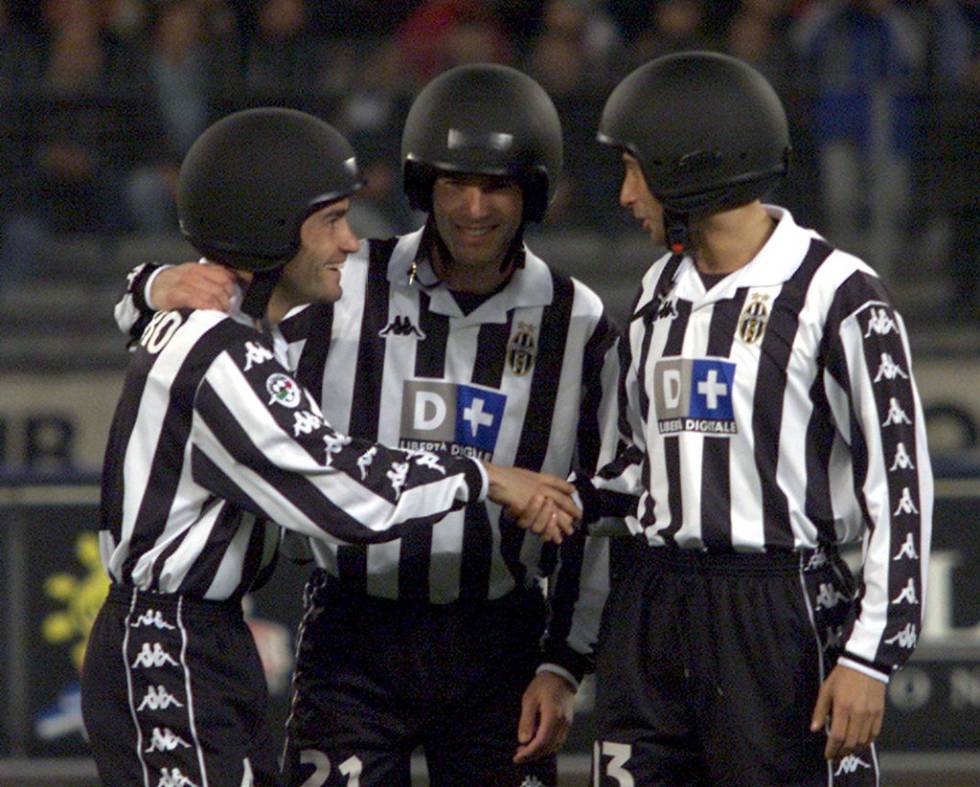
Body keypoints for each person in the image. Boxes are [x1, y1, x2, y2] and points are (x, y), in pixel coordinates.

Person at [113, 65, 621, 786]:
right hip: (356, 634)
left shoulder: (582, 322)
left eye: (498, 185)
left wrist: (563, 665)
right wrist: (151, 286)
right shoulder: (342, 278)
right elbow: (206, 325)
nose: (473, 207)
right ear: (422, 185)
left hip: (501, 640)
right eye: (453, 183)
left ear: (533, 191)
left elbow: (591, 510)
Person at [519, 51, 934, 785]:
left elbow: (900, 489)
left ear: (688, 165)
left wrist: (871, 655)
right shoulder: (654, 292)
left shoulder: (839, 295)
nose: (623, 195)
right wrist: (571, 498)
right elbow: (638, 470)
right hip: (651, 606)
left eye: (634, 170)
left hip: (778, 613)